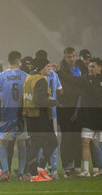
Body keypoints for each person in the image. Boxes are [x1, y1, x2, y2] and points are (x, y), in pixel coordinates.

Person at [0, 51, 28, 182]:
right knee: (22, 143)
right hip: (22, 115)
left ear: (8, 61)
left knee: (2, 142)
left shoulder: (1, 76)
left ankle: (5, 171)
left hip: (6, 115)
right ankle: (21, 173)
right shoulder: (25, 76)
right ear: (19, 61)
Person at [20, 57, 58, 182]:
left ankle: (39, 170)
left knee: (39, 144)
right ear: (42, 67)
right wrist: (53, 102)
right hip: (40, 117)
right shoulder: (41, 80)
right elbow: (38, 100)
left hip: (30, 116)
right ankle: (35, 174)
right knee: (46, 143)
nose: (50, 69)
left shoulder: (29, 78)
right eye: (48, 66)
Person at [35, 50, 63, 180]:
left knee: (40, 140)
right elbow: (60, 90)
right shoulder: (53, 73)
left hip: (39, 112)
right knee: (53, 140)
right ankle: (54, 170)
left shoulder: (35, 75)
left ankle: (42, 169)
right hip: (52, 112)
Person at [56, 47, 83, 177]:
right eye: (68, 57)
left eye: (73, 56)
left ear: (75, 56)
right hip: (65, 108)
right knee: (67, 138)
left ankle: (77, 167)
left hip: (79, 108)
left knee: (77, 139)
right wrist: (80, 90)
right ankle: (67, 168)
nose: (71, 59)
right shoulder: (61, 71)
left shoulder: (80, 68)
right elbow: (64, 92)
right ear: (64, 57)